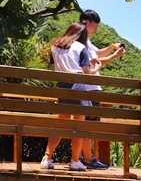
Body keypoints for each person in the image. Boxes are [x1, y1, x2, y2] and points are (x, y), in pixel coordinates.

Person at [40, 22, 103, 172]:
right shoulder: (80, 48)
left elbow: (55, 66)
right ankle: (75, 160)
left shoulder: (55, 47)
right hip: (78, 87)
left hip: (62, 88)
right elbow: (87, 72)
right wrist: (98, 68)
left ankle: (46, 158)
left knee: (61, 125)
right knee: (78, 126)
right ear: (82, 35)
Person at [78, 9, 125, 169]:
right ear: (86, 22)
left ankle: (83, 157)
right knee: (90, 125)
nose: (96, 28)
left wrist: (112, 47)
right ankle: (88, 158)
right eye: (94, 25)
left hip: (89, 88)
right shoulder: (81, 41)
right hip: (90, 88)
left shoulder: (84, 40)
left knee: (88, 124)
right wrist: (114, 57)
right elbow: (95, 61)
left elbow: (97, 53)